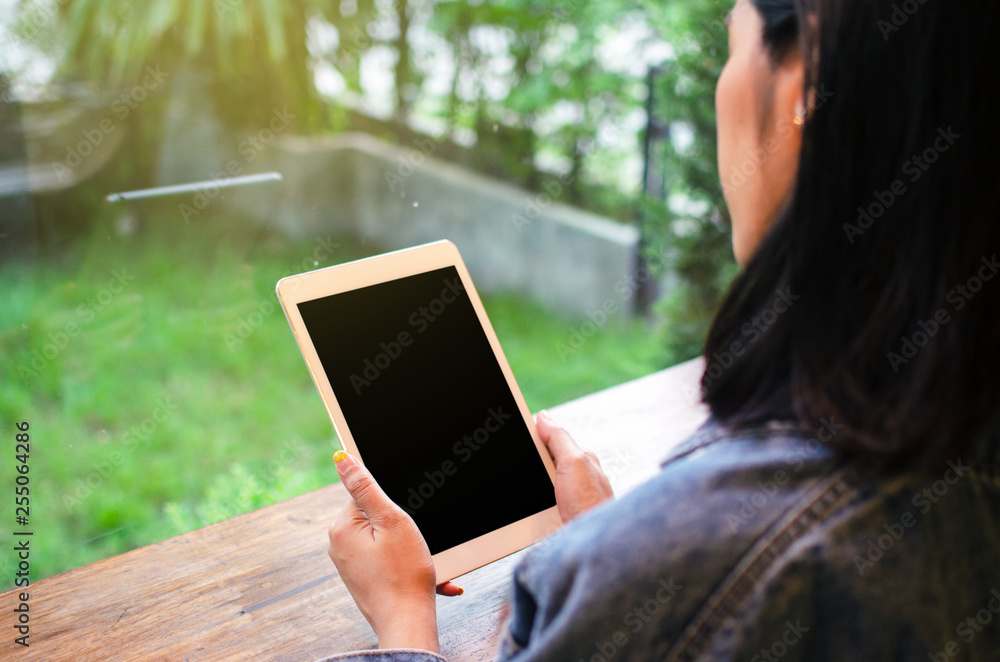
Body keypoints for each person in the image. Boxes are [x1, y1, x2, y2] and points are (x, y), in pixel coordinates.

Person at [318, 0, 1000, 659]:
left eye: (733, 47)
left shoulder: (710, 566)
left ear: (803, 85)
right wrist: (604, 547)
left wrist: (406, 621)